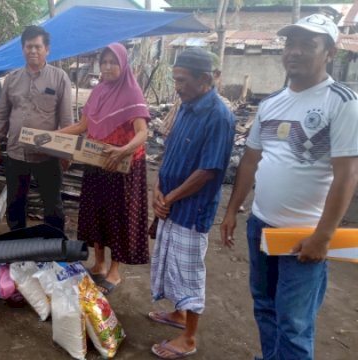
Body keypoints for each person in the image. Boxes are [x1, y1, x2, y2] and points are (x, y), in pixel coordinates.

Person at [220, 14, 358, 360]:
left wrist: (323, 237)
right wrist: (232, 210)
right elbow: (250, 160)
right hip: (261, 225)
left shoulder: (341, 102)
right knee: (265, 308)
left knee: (294, 323)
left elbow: (347, 174)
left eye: (307, 44)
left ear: (329, 52)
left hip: (304, 233)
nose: (294, 51)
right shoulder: (271, 103)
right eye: (289, 43)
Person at [149, 47, 235, 359]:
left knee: (189, 272)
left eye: (182, 80)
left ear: (205, 79)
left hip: (191, 211)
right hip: (170, 205)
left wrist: (169, 198)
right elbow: (170, 153)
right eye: (175, 79)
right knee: (171, 262)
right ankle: (179, 314)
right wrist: (158, 188)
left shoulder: (219, 116)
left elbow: (208, 171)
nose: (177, 86)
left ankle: (189, 338)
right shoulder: (185, 106)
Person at [59, 43, 150, 294]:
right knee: (95, 212)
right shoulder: (98, 91)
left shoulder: (132, 93)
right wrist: (53, 136)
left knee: (117, 217)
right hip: (97, 161)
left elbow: (143, 132)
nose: (108, 67)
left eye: (113, 62)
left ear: (123, 64)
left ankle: (114, 271)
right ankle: (98, 264)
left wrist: (124, 150)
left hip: (123, 166)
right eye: (104, 62)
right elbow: (82, 126)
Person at [0, 25, 73, 232]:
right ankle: (18, 244)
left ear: (47, 49)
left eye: (37, 47)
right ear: (23, 49)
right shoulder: (12, 79)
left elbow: (66, 118)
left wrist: (67, 151)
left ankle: (54, 246)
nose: (33, 51)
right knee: (15, 204)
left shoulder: (59, 77)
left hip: (47, 155)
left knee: (52, 203)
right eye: (29, 47)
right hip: (17, 152)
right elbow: (2, 115)